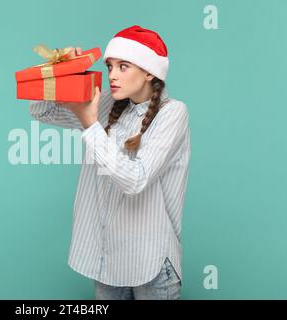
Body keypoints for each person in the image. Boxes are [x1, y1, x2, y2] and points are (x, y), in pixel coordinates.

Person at [29, 25, 190, 300]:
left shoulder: (173, 113)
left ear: (149, 71)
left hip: (151, 266)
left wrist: (89, 123)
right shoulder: (105, 104)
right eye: (110, 66)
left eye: (123, 66)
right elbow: (41, 110)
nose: (112, 75)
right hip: (108, 262)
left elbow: (136, 179)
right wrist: (65, 71)